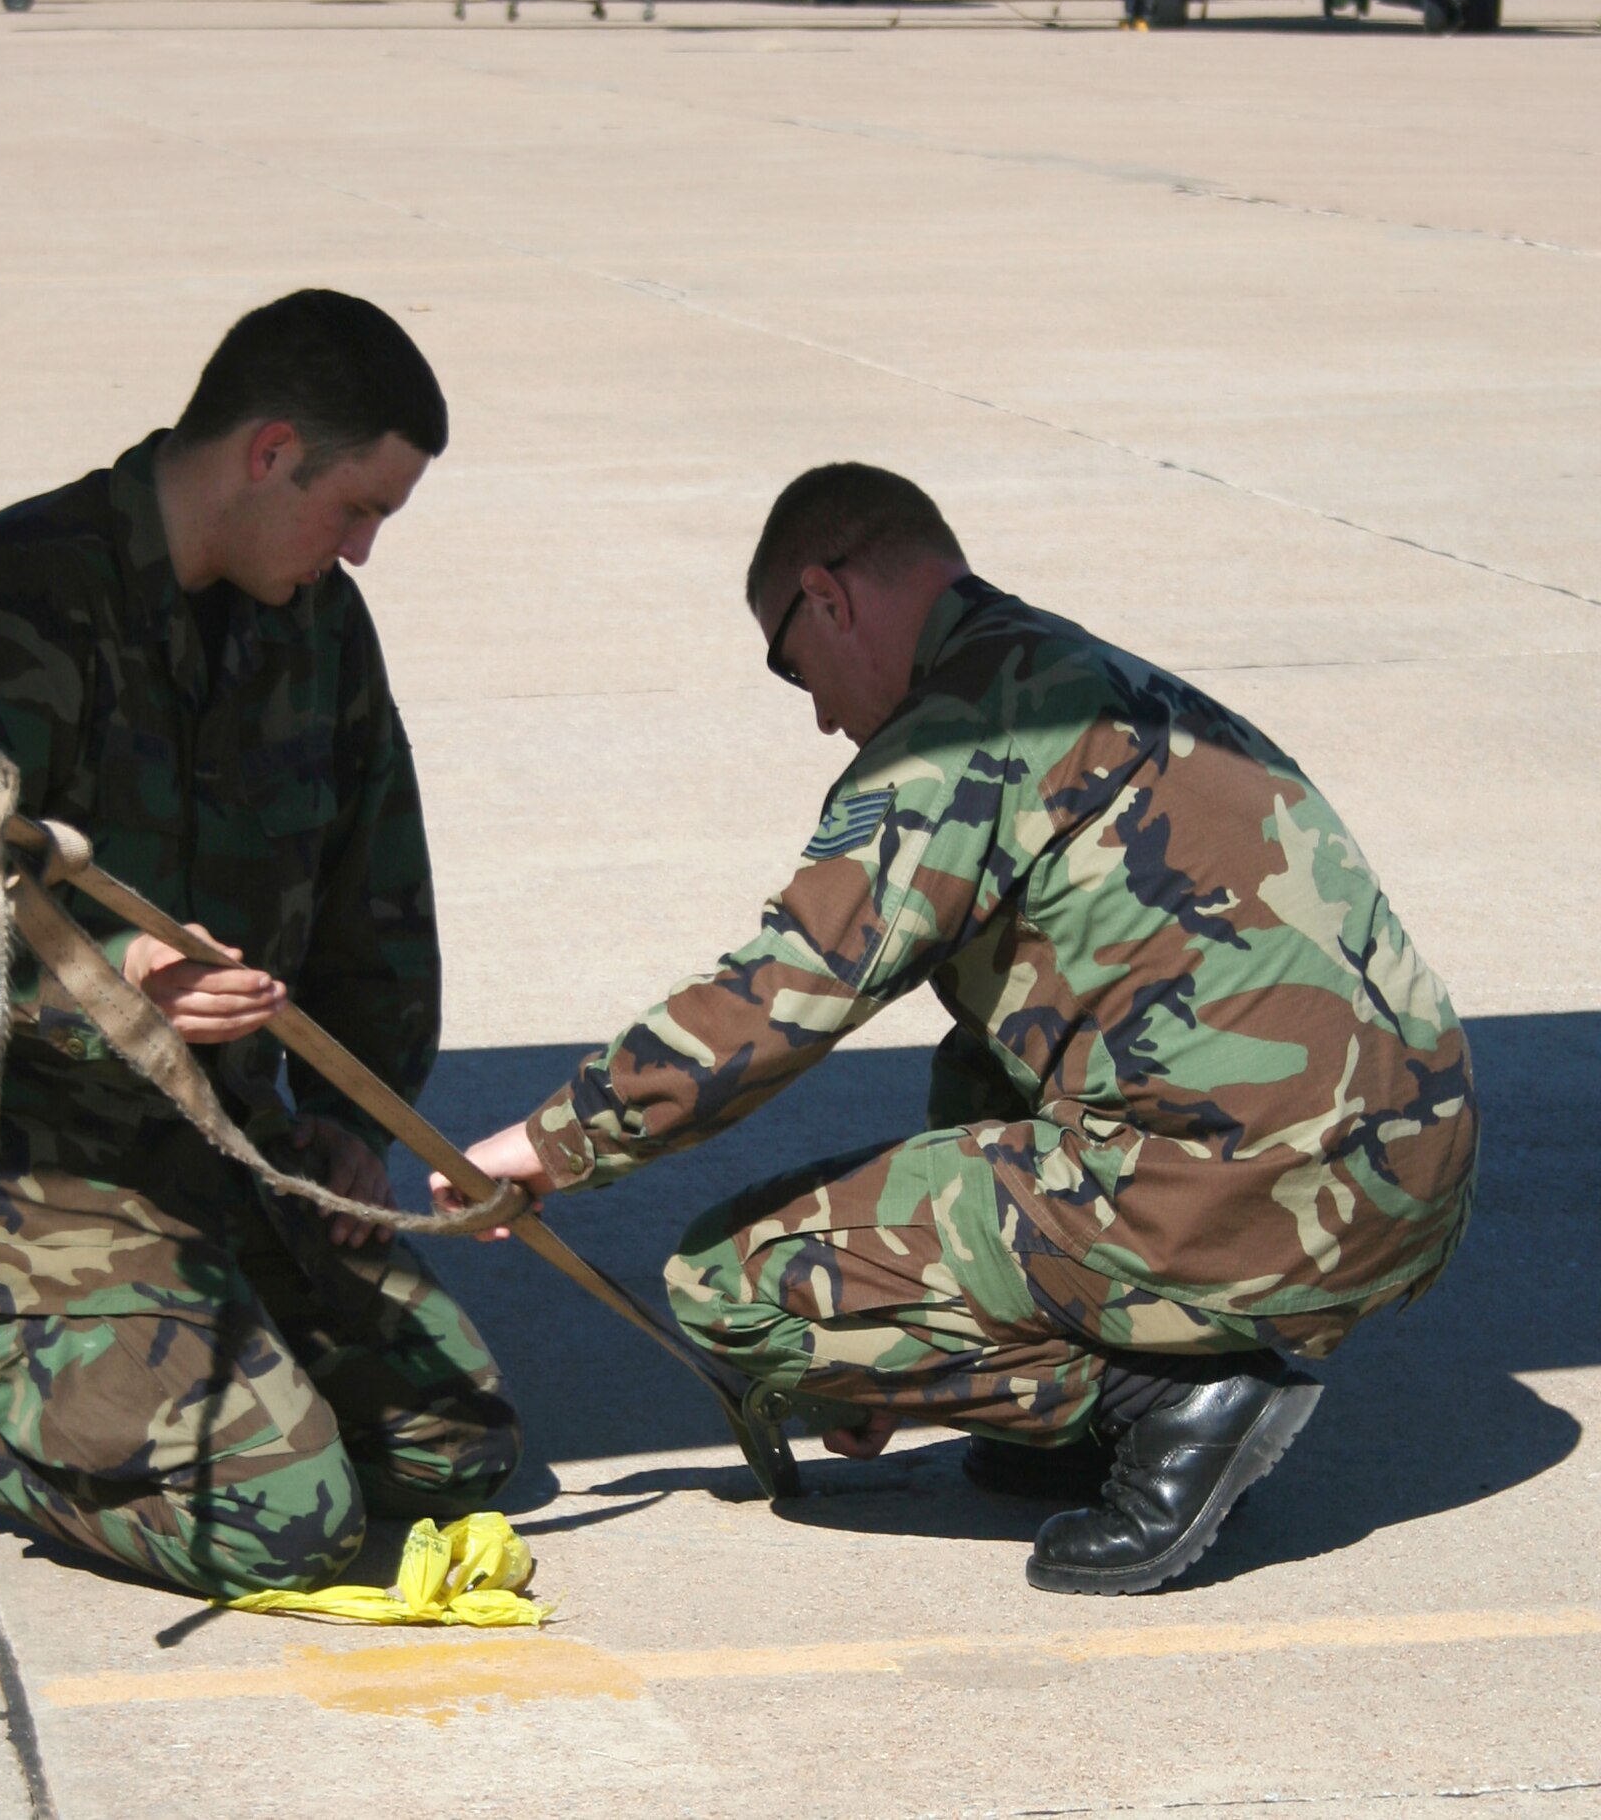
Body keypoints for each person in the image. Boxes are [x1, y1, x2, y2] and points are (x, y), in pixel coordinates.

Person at [438, 462, 1475, 1596]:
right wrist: (920, 1325)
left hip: (1259, 1194)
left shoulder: (951, 739)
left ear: (828, 596)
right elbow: (995, 1062)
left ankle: (1176, 1400)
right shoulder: (1092, 678)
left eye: (795, 669)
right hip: (1409, 1173)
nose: (822, 712)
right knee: (980, 1053)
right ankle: (1087, 1411)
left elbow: (783, 992)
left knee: (726, 1282)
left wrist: (549, 1143)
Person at [0, 291, 520, 1598]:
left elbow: (375, 895)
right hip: (6, 1169)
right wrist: (112, 984)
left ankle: (143, 1366)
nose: (367, 550)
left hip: (213, 1146)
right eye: (359, 509)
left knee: (455, 1446)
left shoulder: (314, 623)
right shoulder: (16, 597)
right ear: (270, 453)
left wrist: (344, 1119)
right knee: (287, 1518)